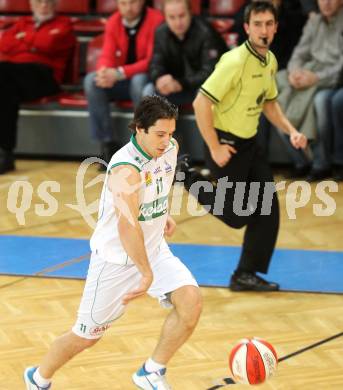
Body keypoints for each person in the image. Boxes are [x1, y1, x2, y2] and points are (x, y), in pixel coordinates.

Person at [24, 95, 202, 390]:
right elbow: (127, 226)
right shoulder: (124, 169)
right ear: (140, 129)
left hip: (154, 250)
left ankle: (151, 371)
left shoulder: (170, 148)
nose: (166, 141)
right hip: (117, 260)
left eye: (170, 133)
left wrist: (162, 212)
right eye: (160, 134)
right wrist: (145, 273)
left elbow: (160, 183)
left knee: (191, 303)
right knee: (86, 337)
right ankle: (38, 377)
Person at [192, 1, 307, 292]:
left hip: (249, 144)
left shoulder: (269, 61)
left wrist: (292, 131)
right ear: (246, 28)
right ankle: (189, 178)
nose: (264, 30)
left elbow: (268, 102)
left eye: (269, 24)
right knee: (235, 216)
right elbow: (200, 102)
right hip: (225, 144)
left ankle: (244, 274)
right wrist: (215, 148)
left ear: (276, 27)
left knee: (267, 211)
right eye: (258, 24)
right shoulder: (234, 62)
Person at [84, 0, 164, 167]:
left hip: (145, 77)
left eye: (133, 2)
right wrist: (103, 72)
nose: (128, 8)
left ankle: (142, 144)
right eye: (123, 3)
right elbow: (107, 54)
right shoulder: (114, 21)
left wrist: (120, 73)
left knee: (138, 80)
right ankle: (107, 145)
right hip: (121, 80)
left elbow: (151, 61)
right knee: (91, 81)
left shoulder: (156, 19)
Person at [0, 0, 76, 175]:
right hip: (14, 77)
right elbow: (4, 44)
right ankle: (5, 152)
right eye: (39, 2)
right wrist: (33, 43)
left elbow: (49, 44)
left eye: (48, 2)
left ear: (55, 5)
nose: (43, 6)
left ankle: (5, 154)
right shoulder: (21, 22)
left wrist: (22, 39)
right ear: (31, 5)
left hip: (45, 76)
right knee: (6, 92)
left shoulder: (64, 24)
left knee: (3, 76)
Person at [275, 0, 343, 180]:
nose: (326, 3)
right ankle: (301, 161)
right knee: (272, 95)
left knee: (318, 101)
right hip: (308, 73)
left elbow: (340, 66)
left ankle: (322, 163)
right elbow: (298, 53)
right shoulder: (314, 22)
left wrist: (316, 78)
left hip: (332, 79)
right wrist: (294, 72)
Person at [142, 0, 227, 106]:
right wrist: (159, 78)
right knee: (149, 90)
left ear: (190, 13)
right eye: (172, 17)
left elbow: (211, 72)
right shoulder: (160, 32)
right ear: (165, 18)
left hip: (198, 87)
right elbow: (155, 63)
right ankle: (153, 123)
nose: (178, 23)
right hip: (174, 86)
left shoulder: (206, 32)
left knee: (205, 93)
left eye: (182, 16)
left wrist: (181, 83)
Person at [312, 85, 343, 181]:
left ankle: (339, 161)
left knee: (338, 101)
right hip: (334, 83)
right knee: (321, 99)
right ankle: (322, 163)